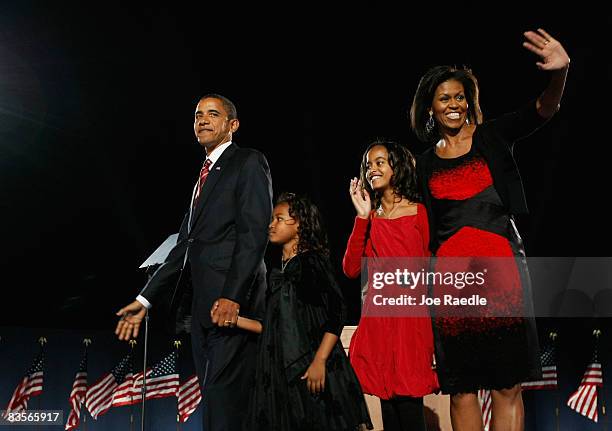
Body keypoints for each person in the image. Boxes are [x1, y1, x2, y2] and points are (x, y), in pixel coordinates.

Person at [409, 29, 569, 431]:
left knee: (506, 384)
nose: (454, 104)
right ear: (431, 106)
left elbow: (543, 109)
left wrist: (560, 72)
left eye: (460, 97)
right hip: (451, 283)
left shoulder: (493, 137)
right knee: (462, 388)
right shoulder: (423, 164)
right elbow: (422, 231)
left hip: (503, 276)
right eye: (444, 98)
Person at [114, 94, 273, 431]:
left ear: (233, 125)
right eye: (198, 114)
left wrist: (232, 295)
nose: (202, 120)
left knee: (225, 402)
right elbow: (182, 247)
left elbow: (254, 232)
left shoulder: (248, 161)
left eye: (213, 114)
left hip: (232, 306)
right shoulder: (203, 176)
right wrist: (145, 300)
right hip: (201, 310)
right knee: (215, 402)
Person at [237, 192, 372, 431]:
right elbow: (271, 326)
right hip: (279, 373)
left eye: (279, 218)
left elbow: (338, 310)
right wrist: (233, 320)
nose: (271, 224)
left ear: (299, 224)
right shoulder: (277, 273)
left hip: (312, 366)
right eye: (272, 219)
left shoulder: (312, 262)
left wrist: (319, 360)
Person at [343, 140, 438, 431]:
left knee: (409, 408)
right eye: (369, 164)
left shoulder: (420, 213)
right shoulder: (370, 219)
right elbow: (350, 269)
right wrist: (361, 218)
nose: (372, 169)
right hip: (379, 324)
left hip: (410, 324)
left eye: (380, 162)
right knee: (388, 409)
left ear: (397, 166)